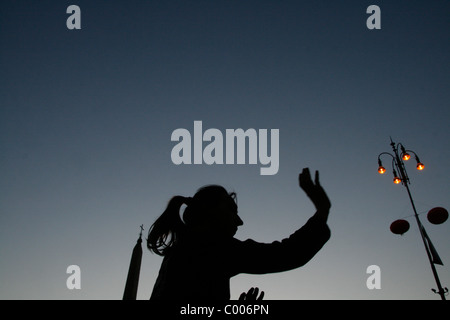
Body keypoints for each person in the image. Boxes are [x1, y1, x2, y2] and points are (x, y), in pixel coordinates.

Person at [147, 168, 331, 300]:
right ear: (209, 211)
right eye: (231, 210)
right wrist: (322, 210)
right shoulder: (212, 248)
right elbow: (286, 254)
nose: (239, 221)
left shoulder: (182, 252)